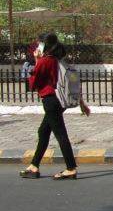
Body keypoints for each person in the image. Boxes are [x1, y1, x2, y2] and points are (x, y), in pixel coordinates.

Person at [20, 33, 90, 180]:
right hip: (59, 101)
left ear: (45, 45)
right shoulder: (59, 61)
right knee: (43, 131)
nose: (37, 46)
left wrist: (37, 60)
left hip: (51, 101)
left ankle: (71, 168)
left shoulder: (46, 61)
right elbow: (72, 82)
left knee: (60, 134)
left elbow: (33, 83)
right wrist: (81, 103)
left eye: (39, 43)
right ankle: (34, 166)